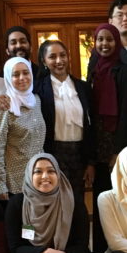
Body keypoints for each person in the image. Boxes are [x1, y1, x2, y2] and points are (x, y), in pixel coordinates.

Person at [87, 23, 127, 253]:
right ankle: (99, 251)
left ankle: (123, 250)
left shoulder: (125, 70)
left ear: (116, 42)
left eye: (109, 39)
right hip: (97, 141)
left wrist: (119, 150)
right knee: (100, 197)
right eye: (100, 40)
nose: (104, 44)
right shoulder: (93, 68)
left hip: (118, 143)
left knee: (121, 198)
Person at [34, 40, 95, 190]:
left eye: (62, 55)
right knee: (55, 201)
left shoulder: (83, 87)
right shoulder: (37, 88)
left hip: (79, 153)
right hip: (53, 152)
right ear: (44, 61)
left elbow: (91, 127)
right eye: (52, 57)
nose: (59, 61)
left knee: (77, 202)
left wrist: (91, 162)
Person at [0, 56, 46, 198]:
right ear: (8, 78)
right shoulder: (4, 107)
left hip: (39, 180)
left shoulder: (36, 101)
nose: (22, 78)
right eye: (15, 74)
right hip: (16, 184)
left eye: (26, 73)